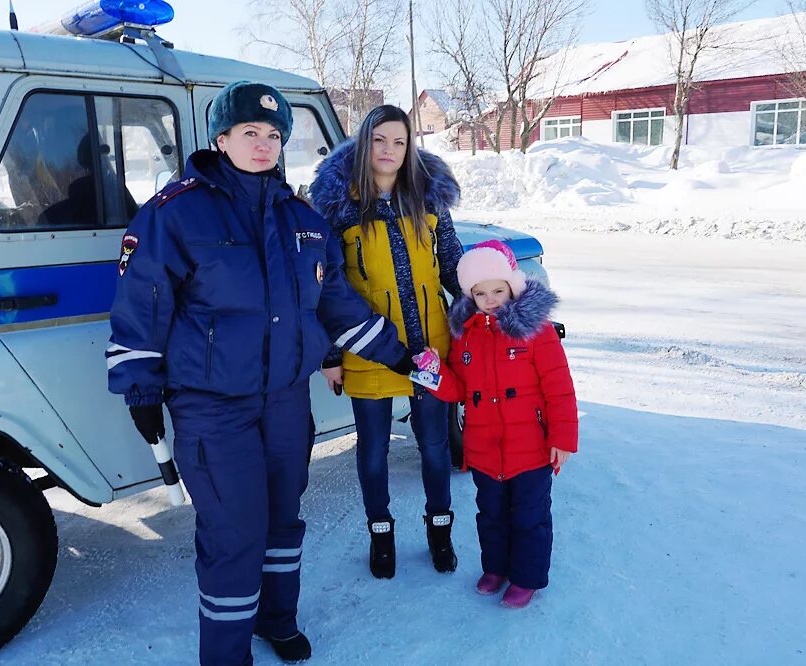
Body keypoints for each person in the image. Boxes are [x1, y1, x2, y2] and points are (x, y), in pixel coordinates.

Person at [106, 82, 416, 665]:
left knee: (283, 518)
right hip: (211, 403)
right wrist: (139, 384)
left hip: (283, 401)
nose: (264, 144)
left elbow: (336, 304)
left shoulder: (302, 220)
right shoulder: (177, 212)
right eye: (250, 132)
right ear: (221, 138)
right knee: (234, 530)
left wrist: (396, 353)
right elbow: (144, 301)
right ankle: (225, 654)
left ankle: (277, 618)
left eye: (274, 135)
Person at [309, 105, 464, 579]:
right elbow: (325, 286)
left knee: (436, 447)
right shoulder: (338, 205)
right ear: (363, 142)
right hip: (368, 346)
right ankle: (381, 532)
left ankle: (440, 529)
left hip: (429, 346)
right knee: (372, 449)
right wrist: (331, 354)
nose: (389, 151)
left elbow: (453, 263)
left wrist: (490, 309)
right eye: (380, 141)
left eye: (399, 142)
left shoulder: (428, 195)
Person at [416, 240, 578, 609]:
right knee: (490, 515)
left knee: (530, 518)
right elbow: (459, 386)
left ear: (513, 287)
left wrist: (563, 438)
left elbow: (559, 387)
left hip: (531, 450)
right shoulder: (465, 334)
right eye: (480, 292)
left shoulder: (536, 331)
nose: (490, 299)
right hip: (485, 449)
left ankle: (527, 578)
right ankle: (496, 569)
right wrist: (434, 373)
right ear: (469, 295)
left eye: (498, 290)